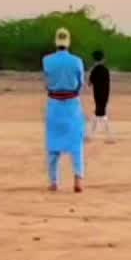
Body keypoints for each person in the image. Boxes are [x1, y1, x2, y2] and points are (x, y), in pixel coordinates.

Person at [43, 27, 86, 192]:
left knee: (53, 145)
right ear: (68, 42)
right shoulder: (77, 61)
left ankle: (54, 181)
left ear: (55, 42)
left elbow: (46, 83)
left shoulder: (47, 60)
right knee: (76, 143)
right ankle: (78, 179)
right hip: (72, 105)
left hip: (54, 104)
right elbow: (80, 84)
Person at [88, 47, 113, 142]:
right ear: (102, 59)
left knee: (99, 113)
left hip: (97, 95)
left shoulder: (94, 70)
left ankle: (93, 135)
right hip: (105, 94)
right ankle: (108, 136)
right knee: (100, 113)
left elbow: (89, 83)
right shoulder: (105, 70)